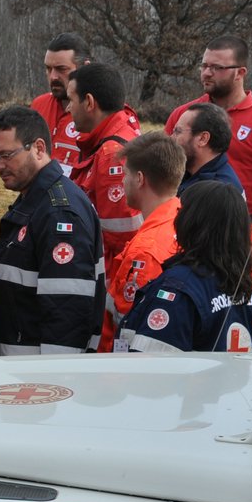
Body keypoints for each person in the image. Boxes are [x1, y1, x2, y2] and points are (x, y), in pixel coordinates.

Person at [0, 105, 104, 355]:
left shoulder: (59, 213)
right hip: (21, 372)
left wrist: (54, 381)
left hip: (37, 379)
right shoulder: (34, 199)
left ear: (38, 148)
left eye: (5, 155)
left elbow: (67, 310)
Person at [163, 35, 252, 250]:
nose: (206, 73)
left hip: (234, 226)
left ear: (240, 73)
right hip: (181, 219)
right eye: (204, 65)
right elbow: (162, 166)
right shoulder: (184, 115)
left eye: (217, 68)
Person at [118, 180, 252, 353]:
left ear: (192, 221)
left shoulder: (177, 291)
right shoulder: (240, 282)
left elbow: (150, 365)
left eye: (181, 211)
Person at [99, 132, 185, 352]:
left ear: (139, 179)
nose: (122, 181)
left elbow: (127, 328)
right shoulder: (184, 222)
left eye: (125, 174)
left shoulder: (145, 252)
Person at [66, 63, 142, 264]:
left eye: (71, 100)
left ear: (89, 102)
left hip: (107, 278)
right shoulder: (116, 136)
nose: (68, 108)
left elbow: (121, 237)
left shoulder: (112, 155)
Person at [29, 32, 94, 175]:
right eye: (48, 69)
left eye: (61, 69)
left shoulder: (101, 113)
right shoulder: (39, 106)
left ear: (85, 67)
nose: (53, 77)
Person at [172, 102, 244, 196]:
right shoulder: (188, 173)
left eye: (178, 132)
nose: (171, 138)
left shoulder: (218, 193)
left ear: (203, 139)